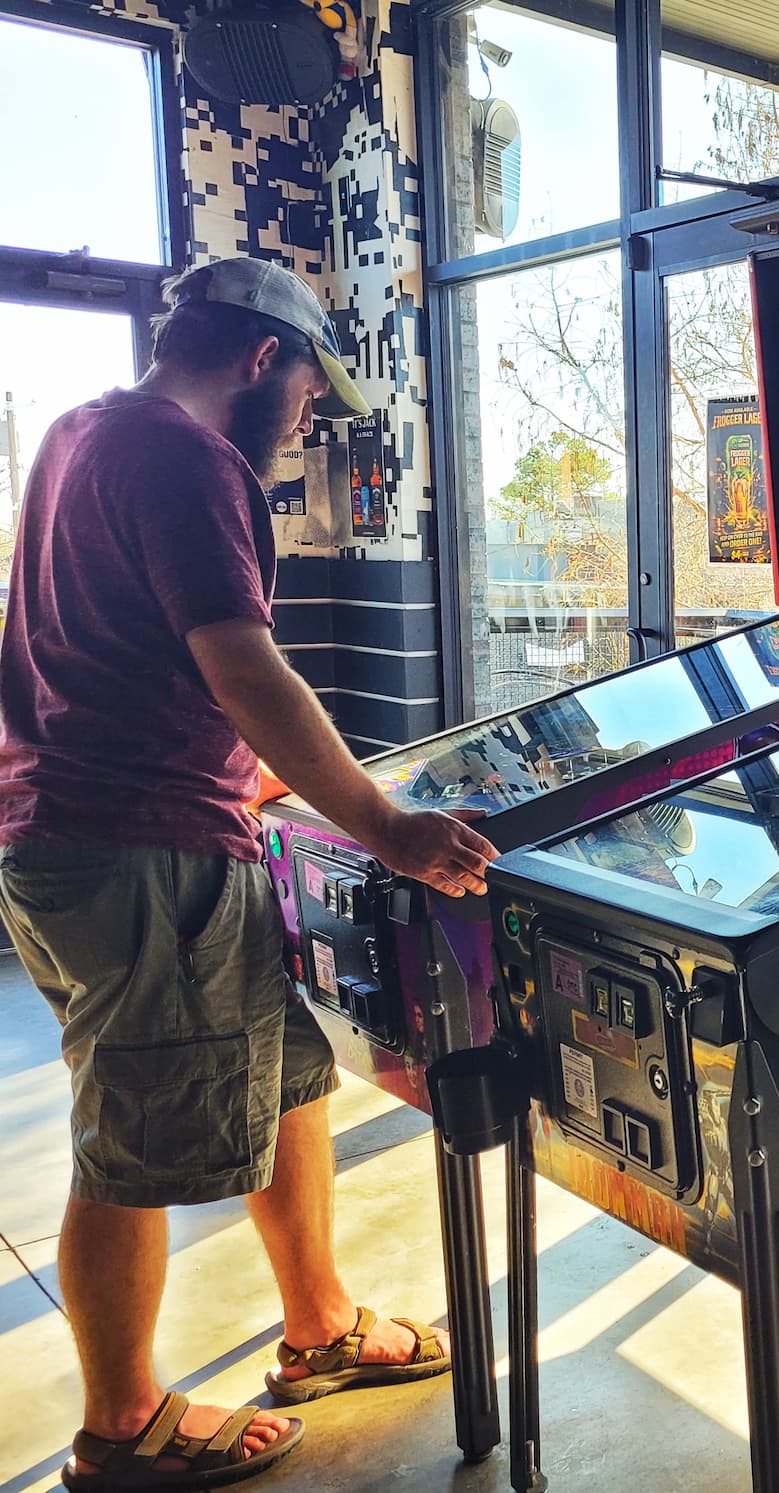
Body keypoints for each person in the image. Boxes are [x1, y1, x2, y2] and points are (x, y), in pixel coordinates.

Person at [0, 257, 498, 1491]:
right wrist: (386, 824)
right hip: (140, 847)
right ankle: (121, 1424)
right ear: (261, 359)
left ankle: (318, 1325)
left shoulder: (80, 430)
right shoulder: (187, 455)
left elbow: (132, 647)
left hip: (106, 827)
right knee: (131, 1133)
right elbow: (243, 665)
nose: (306, 420)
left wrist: (263, 780)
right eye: (307, 393)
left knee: (285, 1083)